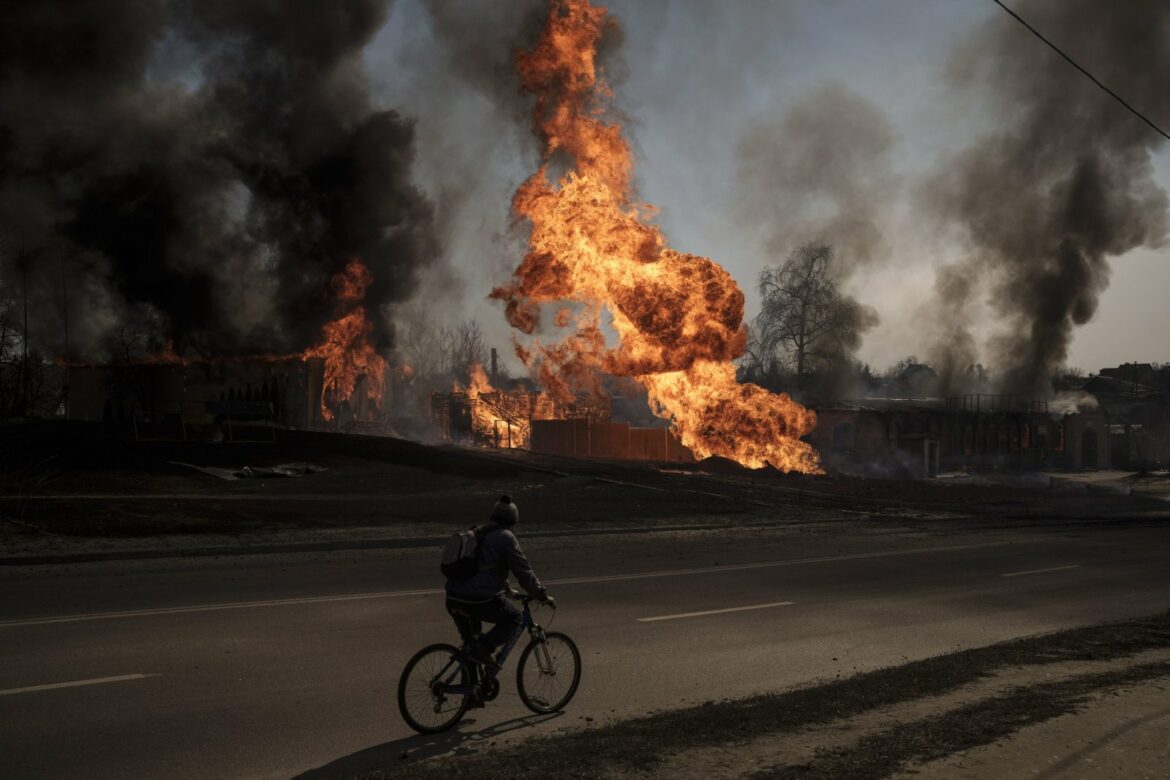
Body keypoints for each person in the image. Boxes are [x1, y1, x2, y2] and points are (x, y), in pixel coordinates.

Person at [445, 494, 554, 670]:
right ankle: (484, 649)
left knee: (470, 646)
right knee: (515, 618)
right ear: (513, 520)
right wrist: (540, 594)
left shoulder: (479, 532)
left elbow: (487, 568)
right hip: (477, 600)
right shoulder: (506, 537)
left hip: (453, 597)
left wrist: (508, 590)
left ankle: (471, 692)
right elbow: (523, 570)